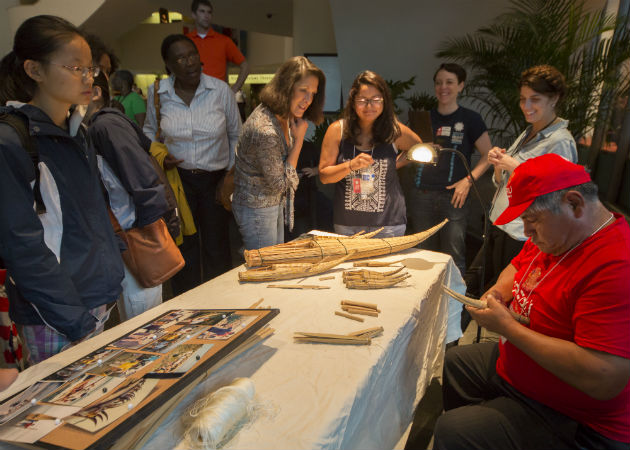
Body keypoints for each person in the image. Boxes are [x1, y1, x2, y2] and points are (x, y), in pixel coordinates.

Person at [433, 153, 630, 450]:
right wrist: (498, 292)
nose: (526, 233)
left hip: (575, 418)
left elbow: (603, 377)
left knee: (453, 430)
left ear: (574, 204)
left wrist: (508, 329)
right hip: (524, 372)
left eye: (532, 221)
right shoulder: (563, 233)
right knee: (457, 362)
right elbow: (519, 264)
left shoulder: (615, 265)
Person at [0, 15, 124, 364]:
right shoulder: (12, 141)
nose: (88, 78)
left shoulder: (77, 131)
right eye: (75, 68)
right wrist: (74, 319)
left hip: (98, 296)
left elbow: (92, 211)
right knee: (61, 415)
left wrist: (112, 265)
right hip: (55, 316)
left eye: (91, 70)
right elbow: (22, 246)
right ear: (34, 70)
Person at [144, 34, 241, 295]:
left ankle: (220, 302)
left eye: (192, 55)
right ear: (169, 65)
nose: (189, 62)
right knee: (183, 245)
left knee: (217, 246)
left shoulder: (220, 91)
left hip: (215, 180)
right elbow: (148, 133)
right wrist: (162, 159)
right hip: (178, 181)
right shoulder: (158, 93)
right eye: (180, 58)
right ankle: (185, 305)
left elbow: (236, 135)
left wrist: (229, 174)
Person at [86, 72, 170, 321]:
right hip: (122, 235)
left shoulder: (105, 125)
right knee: (135, 318)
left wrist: (145, 232)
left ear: (96, 92)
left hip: (132, 233)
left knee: (142, 322)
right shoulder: (95, 125)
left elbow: (144, 180)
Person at [484, 65, 577, 282]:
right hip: (500, 225)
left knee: (497, 297)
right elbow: (504, 183)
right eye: (522, 99)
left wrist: (515, 165)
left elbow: (555, 195)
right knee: (478, 287)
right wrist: (500, 166)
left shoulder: (560, 141)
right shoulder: (529, 131)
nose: (526, 106)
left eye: (534, 99)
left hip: (522, 236)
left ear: (553, 99)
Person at [232, 56, 325, 250]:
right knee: (264, 270)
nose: (308, 100)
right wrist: (299, 140)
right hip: (257, 208)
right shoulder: (265, 128)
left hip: (270, 205)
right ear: (287, 86)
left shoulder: (282, 114)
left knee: (272, 264)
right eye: (303, 90)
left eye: (313, 93)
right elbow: (280, 185)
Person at [407, 63, 491, 275]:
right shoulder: (422, 119)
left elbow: (488, 155)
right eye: (438, 82)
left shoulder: (471, 119)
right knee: (422, 255)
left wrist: (467, 181)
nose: (443, 87)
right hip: (421, 194)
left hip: (455, 196)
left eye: (449, 82)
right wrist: (419, 149)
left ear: (461, 86)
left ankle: (455, 306)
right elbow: (406, 154)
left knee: (453, 256)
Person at [319, 70, 421, 237]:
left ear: (384, 101)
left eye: (376, 100)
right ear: (352, 102)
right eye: (362, 100)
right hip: (347, 225)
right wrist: (351, 165)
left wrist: (394, 163)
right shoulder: (338, 130)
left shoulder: (395, 131)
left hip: (389, 224)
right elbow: (324, 176)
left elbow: (419, 148)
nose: (369, 106)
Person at [187, 0, 250, 93]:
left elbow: (245, 66)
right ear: (193, 14)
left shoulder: (224, 41)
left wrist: (234, 89)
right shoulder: (185, 41)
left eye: (209, 12)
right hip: (192, 96)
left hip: (218, 97)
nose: (206, 15)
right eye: (202, 11)